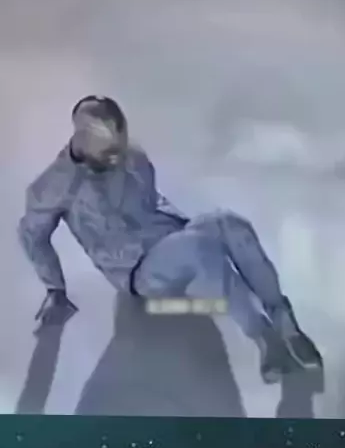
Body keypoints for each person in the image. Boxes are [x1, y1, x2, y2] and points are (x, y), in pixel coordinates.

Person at [18, 95, 323, 384]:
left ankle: (288, 328)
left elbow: (154, 202)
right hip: (137, 269)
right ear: (84, 139)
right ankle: (266, 341)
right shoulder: (54, 186)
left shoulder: (132, 156)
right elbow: (32, 235)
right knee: (196, 248)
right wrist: (55, 289)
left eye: (120, 144)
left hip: (173, 239)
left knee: (231, 224)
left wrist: (187, 230)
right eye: (109, 151)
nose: (117, 156)